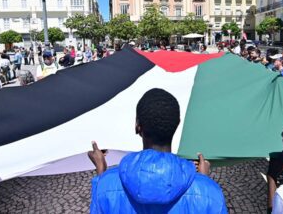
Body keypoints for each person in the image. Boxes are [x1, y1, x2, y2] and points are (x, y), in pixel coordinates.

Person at [89, 88, 228, 213]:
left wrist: (101, 170)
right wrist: (203, 181)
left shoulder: (104, 187)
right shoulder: (211, 193)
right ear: (177, 124)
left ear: (137, 126)